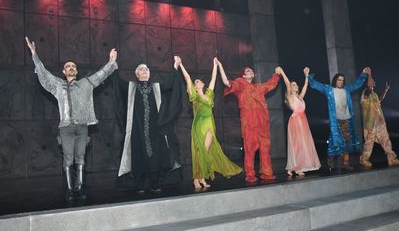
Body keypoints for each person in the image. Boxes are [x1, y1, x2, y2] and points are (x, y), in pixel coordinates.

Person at [25, 36, 118, 201]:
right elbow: (43, 73)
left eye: (73, 66)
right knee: (68, 158)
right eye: (68, 66)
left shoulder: (85, 83)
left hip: (82, 127)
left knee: (80, 158)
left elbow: (101, 75)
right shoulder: (57, 85)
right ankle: (70, 189)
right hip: (66, 128)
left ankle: (80, 187)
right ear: (63, 71)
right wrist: (34, 54)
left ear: (76, 71)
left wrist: (111, 62)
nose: (71, 68)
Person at [112, 57, 183, 194]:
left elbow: (170, 84)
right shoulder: (131, 86)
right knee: (139, 154)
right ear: (137, 75)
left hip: (155, 129)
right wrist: (113, 63)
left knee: (155, 155)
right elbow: (117, 81)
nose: (144, 71)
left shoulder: (156, 86)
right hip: (137, 129)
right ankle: (140, 184)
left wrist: (175, 67)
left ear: (149, 74)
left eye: (146, 70)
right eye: (141, 70)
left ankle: (155, 183)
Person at [178, 56, 242, 188]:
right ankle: (198, 179)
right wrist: (180, 65)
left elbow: (213, 79)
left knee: (205, 151)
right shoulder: (194, 96)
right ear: (194, 88)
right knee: (201, 151)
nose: (198, 82)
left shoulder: (209, 94)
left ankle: (201, 177)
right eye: (196, 83)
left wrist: (216, 65)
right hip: (199, 125)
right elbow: (188, 78)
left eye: (199, 81)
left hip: (210, 125)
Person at [219, 62, 282, 182]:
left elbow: (271, 84)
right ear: (243, 76)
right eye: (247, 71)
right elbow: (227, 82)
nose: (250, 71)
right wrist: (221, 66)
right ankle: (250, 174)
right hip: (249, 123)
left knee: (265, 148)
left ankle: (266, 172)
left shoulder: (259, 87)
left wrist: (277, 74)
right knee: (249, 148)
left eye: (251, 70)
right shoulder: (240, 84)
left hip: (262, 122)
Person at [308, 67, 370, 170]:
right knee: (335, 141)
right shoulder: (329, 89)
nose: (341, 82)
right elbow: (317, 86)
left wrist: (363, 73)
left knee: (347, 140)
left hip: (346, 119)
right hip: (335, 121)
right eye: (339, 80)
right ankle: (330, 160)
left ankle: (345, 163)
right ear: (335, 80)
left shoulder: (346, 89)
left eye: (342, 80)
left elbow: (356, 84)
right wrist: (309, 76)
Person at [280, 67, 321, 176]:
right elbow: (287, 83)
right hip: (295, 121)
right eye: (293, 85)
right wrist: (282, 72)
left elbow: (305, 87)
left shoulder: (299, 97)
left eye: (296, 85)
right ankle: (297, 168)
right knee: (297, 144)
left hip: (303, 121)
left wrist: (306, 75)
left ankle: (293, 167)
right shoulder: (290, 96)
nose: (295, 86)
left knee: (303, 144)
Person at [360, 73, 399, 168]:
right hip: (371, 123)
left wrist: (385, 90)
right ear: (367, 84)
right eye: (371, 81)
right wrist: (369, 75)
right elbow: (367, 94)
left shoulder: (374, 94)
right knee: (369, 142)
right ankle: (364, 159)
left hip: (380, 122)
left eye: (373, 82)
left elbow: (379, 99)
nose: (373, 82)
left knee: (386, 140)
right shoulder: (365, 93)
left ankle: (391, 158)